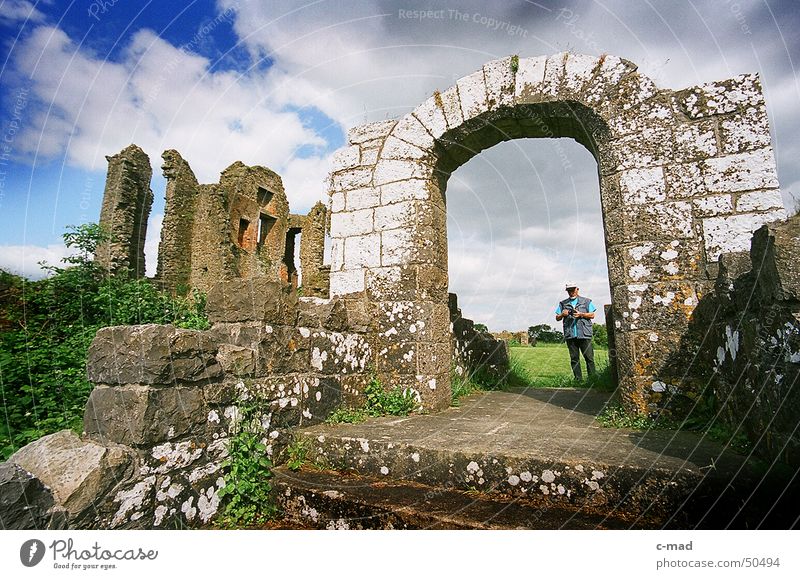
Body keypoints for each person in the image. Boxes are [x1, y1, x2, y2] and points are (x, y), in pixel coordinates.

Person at [555, 281, 596, 380]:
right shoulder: (562, 303)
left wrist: (581, 314)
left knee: (589, 358)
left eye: (572, 290)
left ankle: (592, 379)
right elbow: (557, 317)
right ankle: (578, 380)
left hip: (584, 334)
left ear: (577, 289)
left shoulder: (587, 301)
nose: (571, 292)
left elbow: (592, 315)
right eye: (569, 290)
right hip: (570, 334)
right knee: (574, 359)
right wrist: (562, 314)